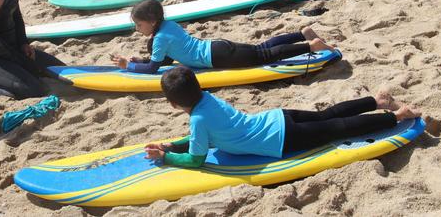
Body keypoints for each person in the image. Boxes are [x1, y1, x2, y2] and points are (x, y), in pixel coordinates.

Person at [143, 66, 421, 167]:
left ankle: (396, 116)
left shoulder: (198, 120)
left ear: (172, 104)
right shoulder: (208, 100)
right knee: (328, 115)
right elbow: (200, 139)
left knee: (339, 128)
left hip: (280, 139)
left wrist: (168, 158)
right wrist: (170, 145)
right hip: (277, 117)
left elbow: (196, 158)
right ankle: (377, 100)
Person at [110, 0, 335, 74]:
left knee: (265, 56)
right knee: (261, 48)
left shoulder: (158, 39)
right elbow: (166, 60)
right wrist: (140, 60)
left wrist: (127, 65)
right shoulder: (168, 25)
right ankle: (301, 33)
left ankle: (311, 46)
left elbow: (153, 69)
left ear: (151, 21)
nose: (138, 29)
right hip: (217, 46)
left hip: (216, 58)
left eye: (139, 25)